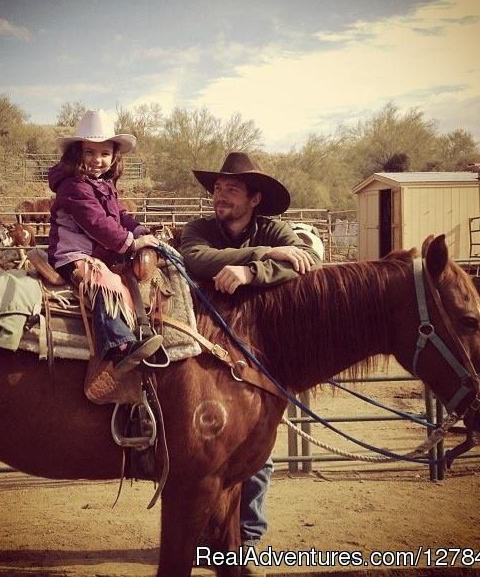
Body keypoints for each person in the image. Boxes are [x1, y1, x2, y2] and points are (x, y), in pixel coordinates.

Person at [179, 151, 322, 560]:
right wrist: (262, 255)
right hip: (206, 347)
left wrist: (251, 274)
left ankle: (249, 540)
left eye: (231, 190)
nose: (220, 196)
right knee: (207, 449)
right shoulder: (200, 228)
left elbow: (305, 262)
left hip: (259, 352)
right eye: (218, 189)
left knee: (256, 450)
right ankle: (211, 536)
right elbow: (195, 259)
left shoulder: (273, 229)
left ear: (254, 198)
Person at [48, 109, 162, 375]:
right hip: (72, 254)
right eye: (90, 152)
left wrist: (140, 229)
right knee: (107, 283)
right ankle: (117, 345)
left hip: (96, 252)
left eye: (104, 154)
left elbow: (118, 214)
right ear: (77, 154)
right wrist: (130, 242)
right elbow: (97, 223)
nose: (97, 160)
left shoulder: (102, 184)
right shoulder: (74, 186)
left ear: (114, 157)